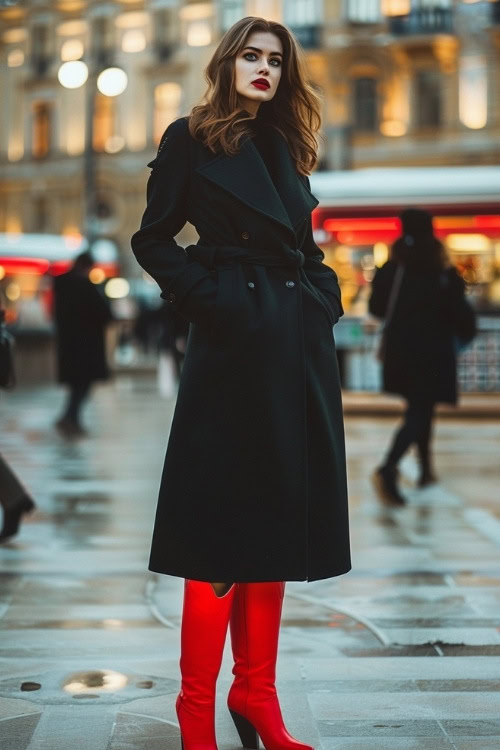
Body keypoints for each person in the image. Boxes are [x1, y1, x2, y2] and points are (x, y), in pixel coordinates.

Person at [131, 16, 350, 750]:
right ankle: (197, 711)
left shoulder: (284, 145)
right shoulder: (187, 138)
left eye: (276, 61)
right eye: (251, 57)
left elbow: (303, 245)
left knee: (279, 521)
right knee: (218, 529)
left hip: (293, 347)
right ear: (227, 63)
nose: (264, 69)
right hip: (231, 348)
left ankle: (256, 695)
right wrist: (211, 298)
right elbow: (153, 239)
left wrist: (324, 301)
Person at [369, 208, 476, 505]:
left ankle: (426, 469)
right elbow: (462, 317)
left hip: (401, 352)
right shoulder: (442, 271)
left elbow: (377, 308)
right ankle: (389, 467)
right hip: (434, 353)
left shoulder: (393, 268)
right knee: (421, 409)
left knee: (419, 408)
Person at [53, 251, 113, 437]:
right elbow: (104, 313)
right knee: (82, 385)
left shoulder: (61, 285)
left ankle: (70, 418)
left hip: (69, 345)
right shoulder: (84, 286)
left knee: (76, 385)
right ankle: (70, 419)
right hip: (86, 346)